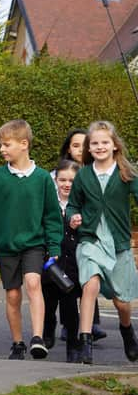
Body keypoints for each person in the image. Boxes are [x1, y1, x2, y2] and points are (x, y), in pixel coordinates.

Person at [0, 119, 62, 360]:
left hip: (34, 243)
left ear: (24, 144)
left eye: (6, 144)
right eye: (0, 145)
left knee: (34, 283)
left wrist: (54, 245)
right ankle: (17, 343)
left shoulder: (43, 178)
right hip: (6, 245)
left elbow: (52, 215)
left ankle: (37, 338)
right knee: (13, 295)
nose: (1, 149)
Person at [67, 120, 138, 364]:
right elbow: (74, 204)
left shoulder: (126, 172)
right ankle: (85, 341)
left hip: (117, 241)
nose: (99, 147)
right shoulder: (83, 174)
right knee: (90, 285)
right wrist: (72, 216)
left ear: (115, 145)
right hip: (90, 239)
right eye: (94, 143)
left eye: (104, 142)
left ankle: (127, 330)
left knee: (122, 302)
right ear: (89, 147)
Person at [52, 129, 107, 343]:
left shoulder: (97, 172)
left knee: (89, 277)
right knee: (67, 280)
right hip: (65, 234)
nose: (80, 150)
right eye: (75, 145)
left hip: (87, 233)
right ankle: (68, 324)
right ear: (68, 148)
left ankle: (91, 323)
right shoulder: (58, 174)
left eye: (84, 145)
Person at [42, 159, 82, 363]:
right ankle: (48, 330)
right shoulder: (49, 203)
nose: (67, 184)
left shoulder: (82, 205)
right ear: (55, 181)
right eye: (62, 180)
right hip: (51, 264)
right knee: (48, 304)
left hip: (73, 263)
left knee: (70, 307)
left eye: (72, 181)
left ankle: (73, 345)